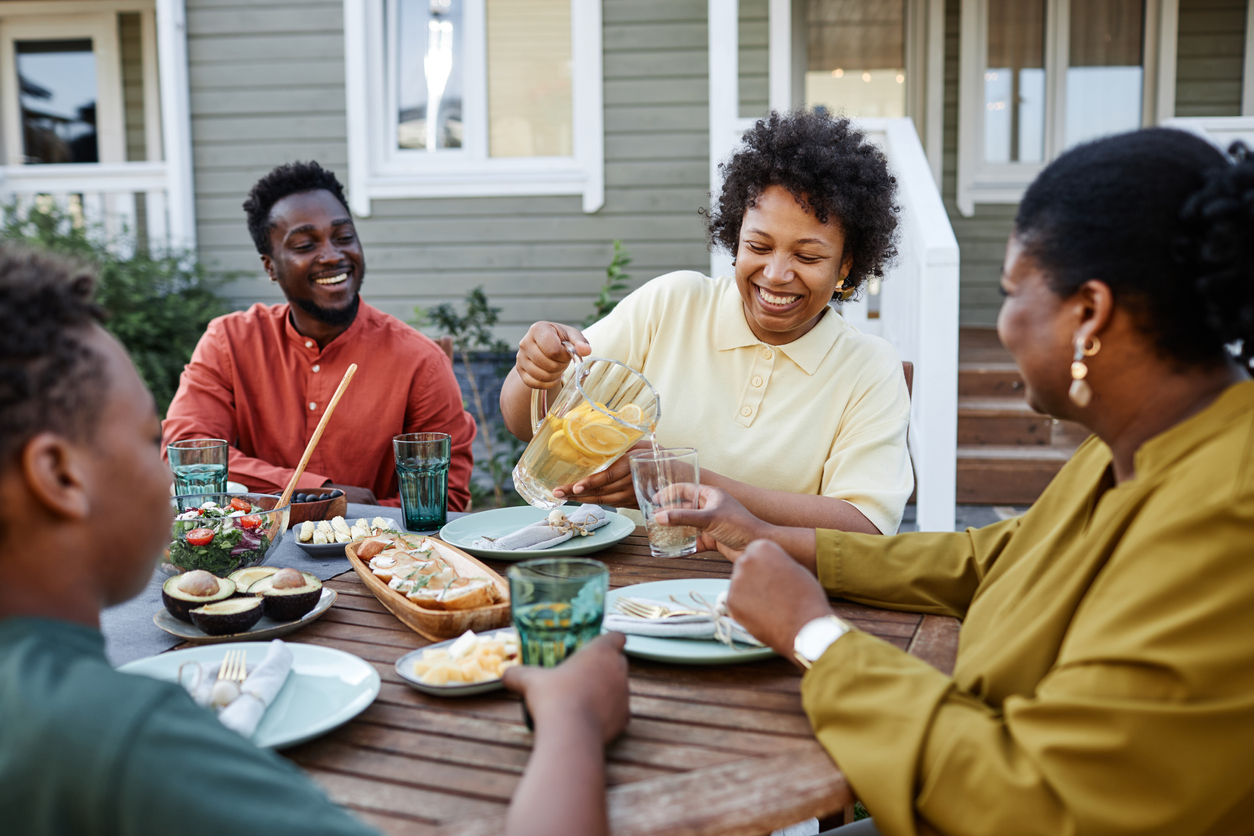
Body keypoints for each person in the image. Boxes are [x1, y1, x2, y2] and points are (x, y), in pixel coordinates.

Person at [660, 129, 1254, 835]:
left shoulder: (1226, 515)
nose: (1002, 326)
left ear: (1088, 314)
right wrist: (780, 540)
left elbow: (1042, 803)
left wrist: (815, 637)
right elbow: (992, 558)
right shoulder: (1137, 447)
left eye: (1011, 293)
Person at [0, 245, 629, 836]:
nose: (165, 463)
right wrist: (570, 718)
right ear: (60, 477)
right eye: (145, 440)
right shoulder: (118, 735)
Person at [500, 111, 912, 535]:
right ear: (735, 237)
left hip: (768, 586)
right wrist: (536, 373)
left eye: (807, 257)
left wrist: (689, 480)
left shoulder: (868, 367)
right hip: (633, 577)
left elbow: (865, 528)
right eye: (758, 245)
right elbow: (527, 424)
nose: (775, 273)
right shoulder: (672, 304)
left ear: (847, 263)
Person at [163, 161, 476, 509]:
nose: (332, 256)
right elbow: (188, 457)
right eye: (304, 245)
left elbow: (445, 501)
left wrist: (345, 510)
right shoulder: (229, 342)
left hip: (376, 557)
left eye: (344, 237)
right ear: (270, 266)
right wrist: (317, 489)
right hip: (254, 554)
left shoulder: (420, 360)